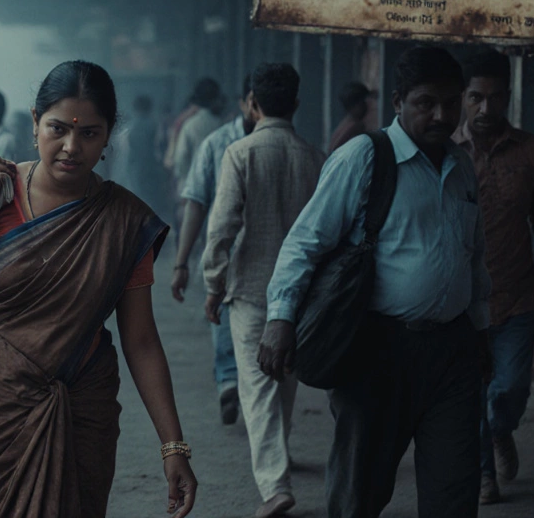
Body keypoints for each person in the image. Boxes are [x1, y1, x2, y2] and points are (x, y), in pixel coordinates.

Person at [0, 61, 197, 518]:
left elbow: (140, 341)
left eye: (89, 134)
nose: (71, 147)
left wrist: (173, 445)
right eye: (57, 128)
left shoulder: (124, 222)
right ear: (34, 122)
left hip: (81, 412)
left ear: (107, 138)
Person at [260, 45, 491, 518]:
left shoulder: (462, 167)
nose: (442, 114)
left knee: (455, 489)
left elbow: (476, 259)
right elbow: (305, 242)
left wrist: (481, 331)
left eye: (452, 102)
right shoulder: (364, 157)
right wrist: (280, 319)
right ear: (399, 101)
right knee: (359, 493)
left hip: (453, 353)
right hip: (375, 349)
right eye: (427, 102)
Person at [202, 64, 323, 518]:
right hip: (302, 293)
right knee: (283, 381)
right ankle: (279, 460)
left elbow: (222, 229)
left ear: (252, 103)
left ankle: (275, 484)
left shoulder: (240, 152)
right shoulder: (317, 157)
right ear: (295, 103)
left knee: (256, 388)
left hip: (252, 288)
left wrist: (213, 284)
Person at [452, 48, 534, 504]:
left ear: (509, 97)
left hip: (516, 298)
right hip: (459, 301)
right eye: (476, 97)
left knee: (511, 388)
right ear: (463, 97)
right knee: (471, 394)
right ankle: (483, 476)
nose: (484, 108)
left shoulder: (533, 152)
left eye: (494, 98)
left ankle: (502, 430)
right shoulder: (443, 151)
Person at [170, 76, 255, 426]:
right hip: (260, 251)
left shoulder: (209, 136)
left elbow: (190, 190)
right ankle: (240, 384)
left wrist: (182, 260)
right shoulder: (219, 133)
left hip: (223, 243)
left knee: (220, 309)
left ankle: (230, 379)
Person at [172, 78, 227, 192]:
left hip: (191, 187)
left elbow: (181, 157)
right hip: (216, 186)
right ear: (215, 99)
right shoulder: (221, 125)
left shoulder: (189, 125)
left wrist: (184, 177)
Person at [122, 94, 166, 211]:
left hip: (135, 167)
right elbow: (160, 147)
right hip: (152, 166)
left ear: (135, 108)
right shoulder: (155, 125)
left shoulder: (131, 127)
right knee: (152, 198)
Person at [328, 81, 376, 153]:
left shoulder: (348, 122)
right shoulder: (355, 126)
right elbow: (333, 150)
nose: (367, 106)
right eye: (363, 102)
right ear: (354, 106)